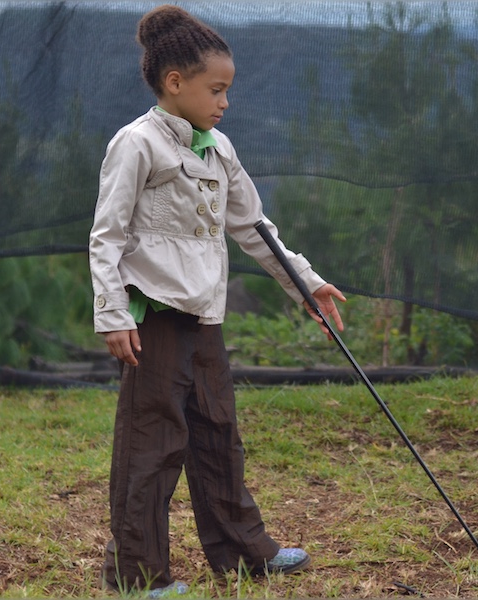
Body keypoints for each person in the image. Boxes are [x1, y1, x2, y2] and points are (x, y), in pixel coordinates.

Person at [88, 4, 346, 596]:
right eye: (216, 89)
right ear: (175, 83)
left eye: (228, 90)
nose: (224, 101)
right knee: (154, 444)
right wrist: (112, 313)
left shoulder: (218, 147)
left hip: (206, 318)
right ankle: (138, 576)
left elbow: (254, 227)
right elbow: (108, 236)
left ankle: (242, 552)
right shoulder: (137, 144)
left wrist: (306, 283)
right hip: (153, 316)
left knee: (217, 432)